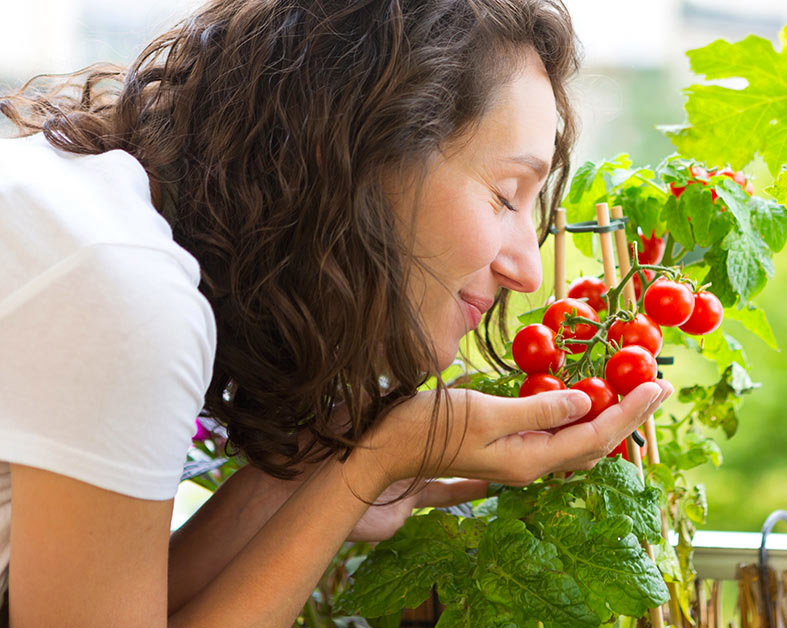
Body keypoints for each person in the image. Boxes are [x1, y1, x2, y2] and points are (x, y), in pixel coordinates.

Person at [0, 0, 672, 625]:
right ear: (357, 152)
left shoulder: (103, 235)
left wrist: (313, 467)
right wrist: (370, 463)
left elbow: (108, 604)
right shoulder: (123, 290)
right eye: (505, 195)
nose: (528, 266)